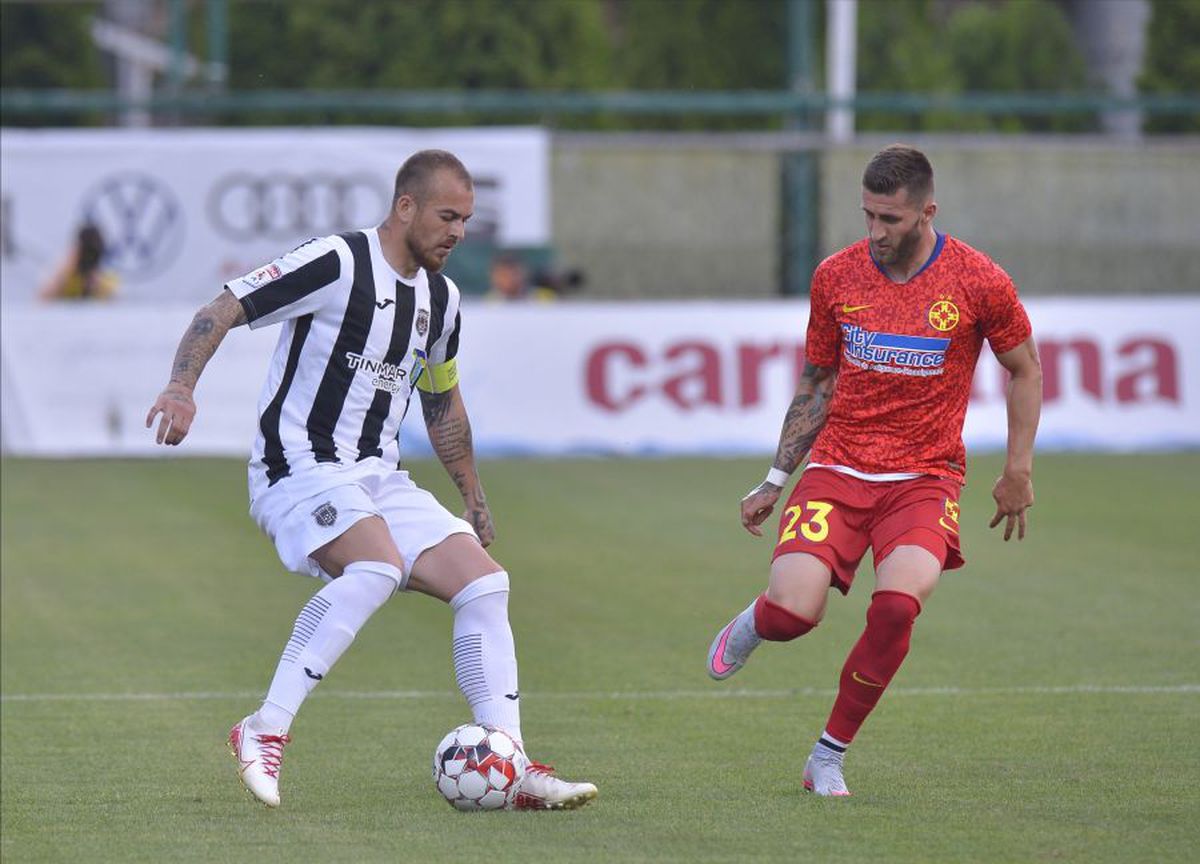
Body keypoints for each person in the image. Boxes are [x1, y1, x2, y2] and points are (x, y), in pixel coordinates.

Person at [145, 149, 597, 811]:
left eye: (467, 220)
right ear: (406, 206)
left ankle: (509, 760)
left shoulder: (441, 300)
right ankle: (263, 727)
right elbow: (224, 307)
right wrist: (181, 385)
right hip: (295, 468)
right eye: (447, 216)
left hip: (376, 477)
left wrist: (471, 494)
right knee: (377, 568)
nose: (458, 233)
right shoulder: (337, 261)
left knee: (485, 584)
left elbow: (442, 401)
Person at [706, 144, 1042, 796]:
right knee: (794, 613)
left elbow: (1024, 369)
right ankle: (756, 622)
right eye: (868, 216)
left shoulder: (979, 280)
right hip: (839, 467)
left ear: (926, 212)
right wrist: (775, 480)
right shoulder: (836, 276)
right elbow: (817, 379)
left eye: (890, 220)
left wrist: (1018, 469)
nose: (876, 233)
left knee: (896, 605)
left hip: (925, 476)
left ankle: (827, 755)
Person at [38, 223, 119, 301]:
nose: (88, 257)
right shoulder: (66, 278)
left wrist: (97, 285)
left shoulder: (107, 279)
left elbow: (115, 304)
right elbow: (42, 299)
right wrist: (66, 268)